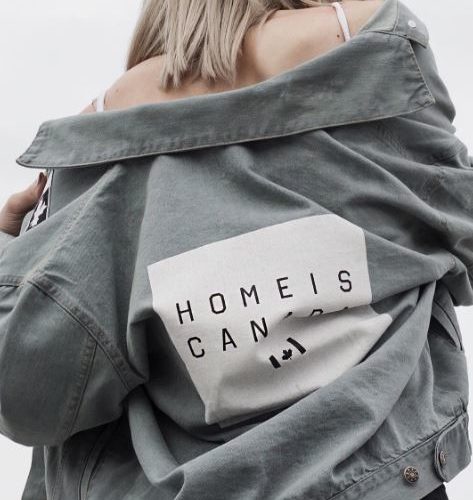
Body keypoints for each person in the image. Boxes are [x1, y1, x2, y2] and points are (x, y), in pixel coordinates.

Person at [0, 1, 471, 499]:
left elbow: (27, 386)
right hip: (379, 480)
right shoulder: (374, 48)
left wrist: (12, 246)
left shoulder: (98, 140)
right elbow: (455, 222)